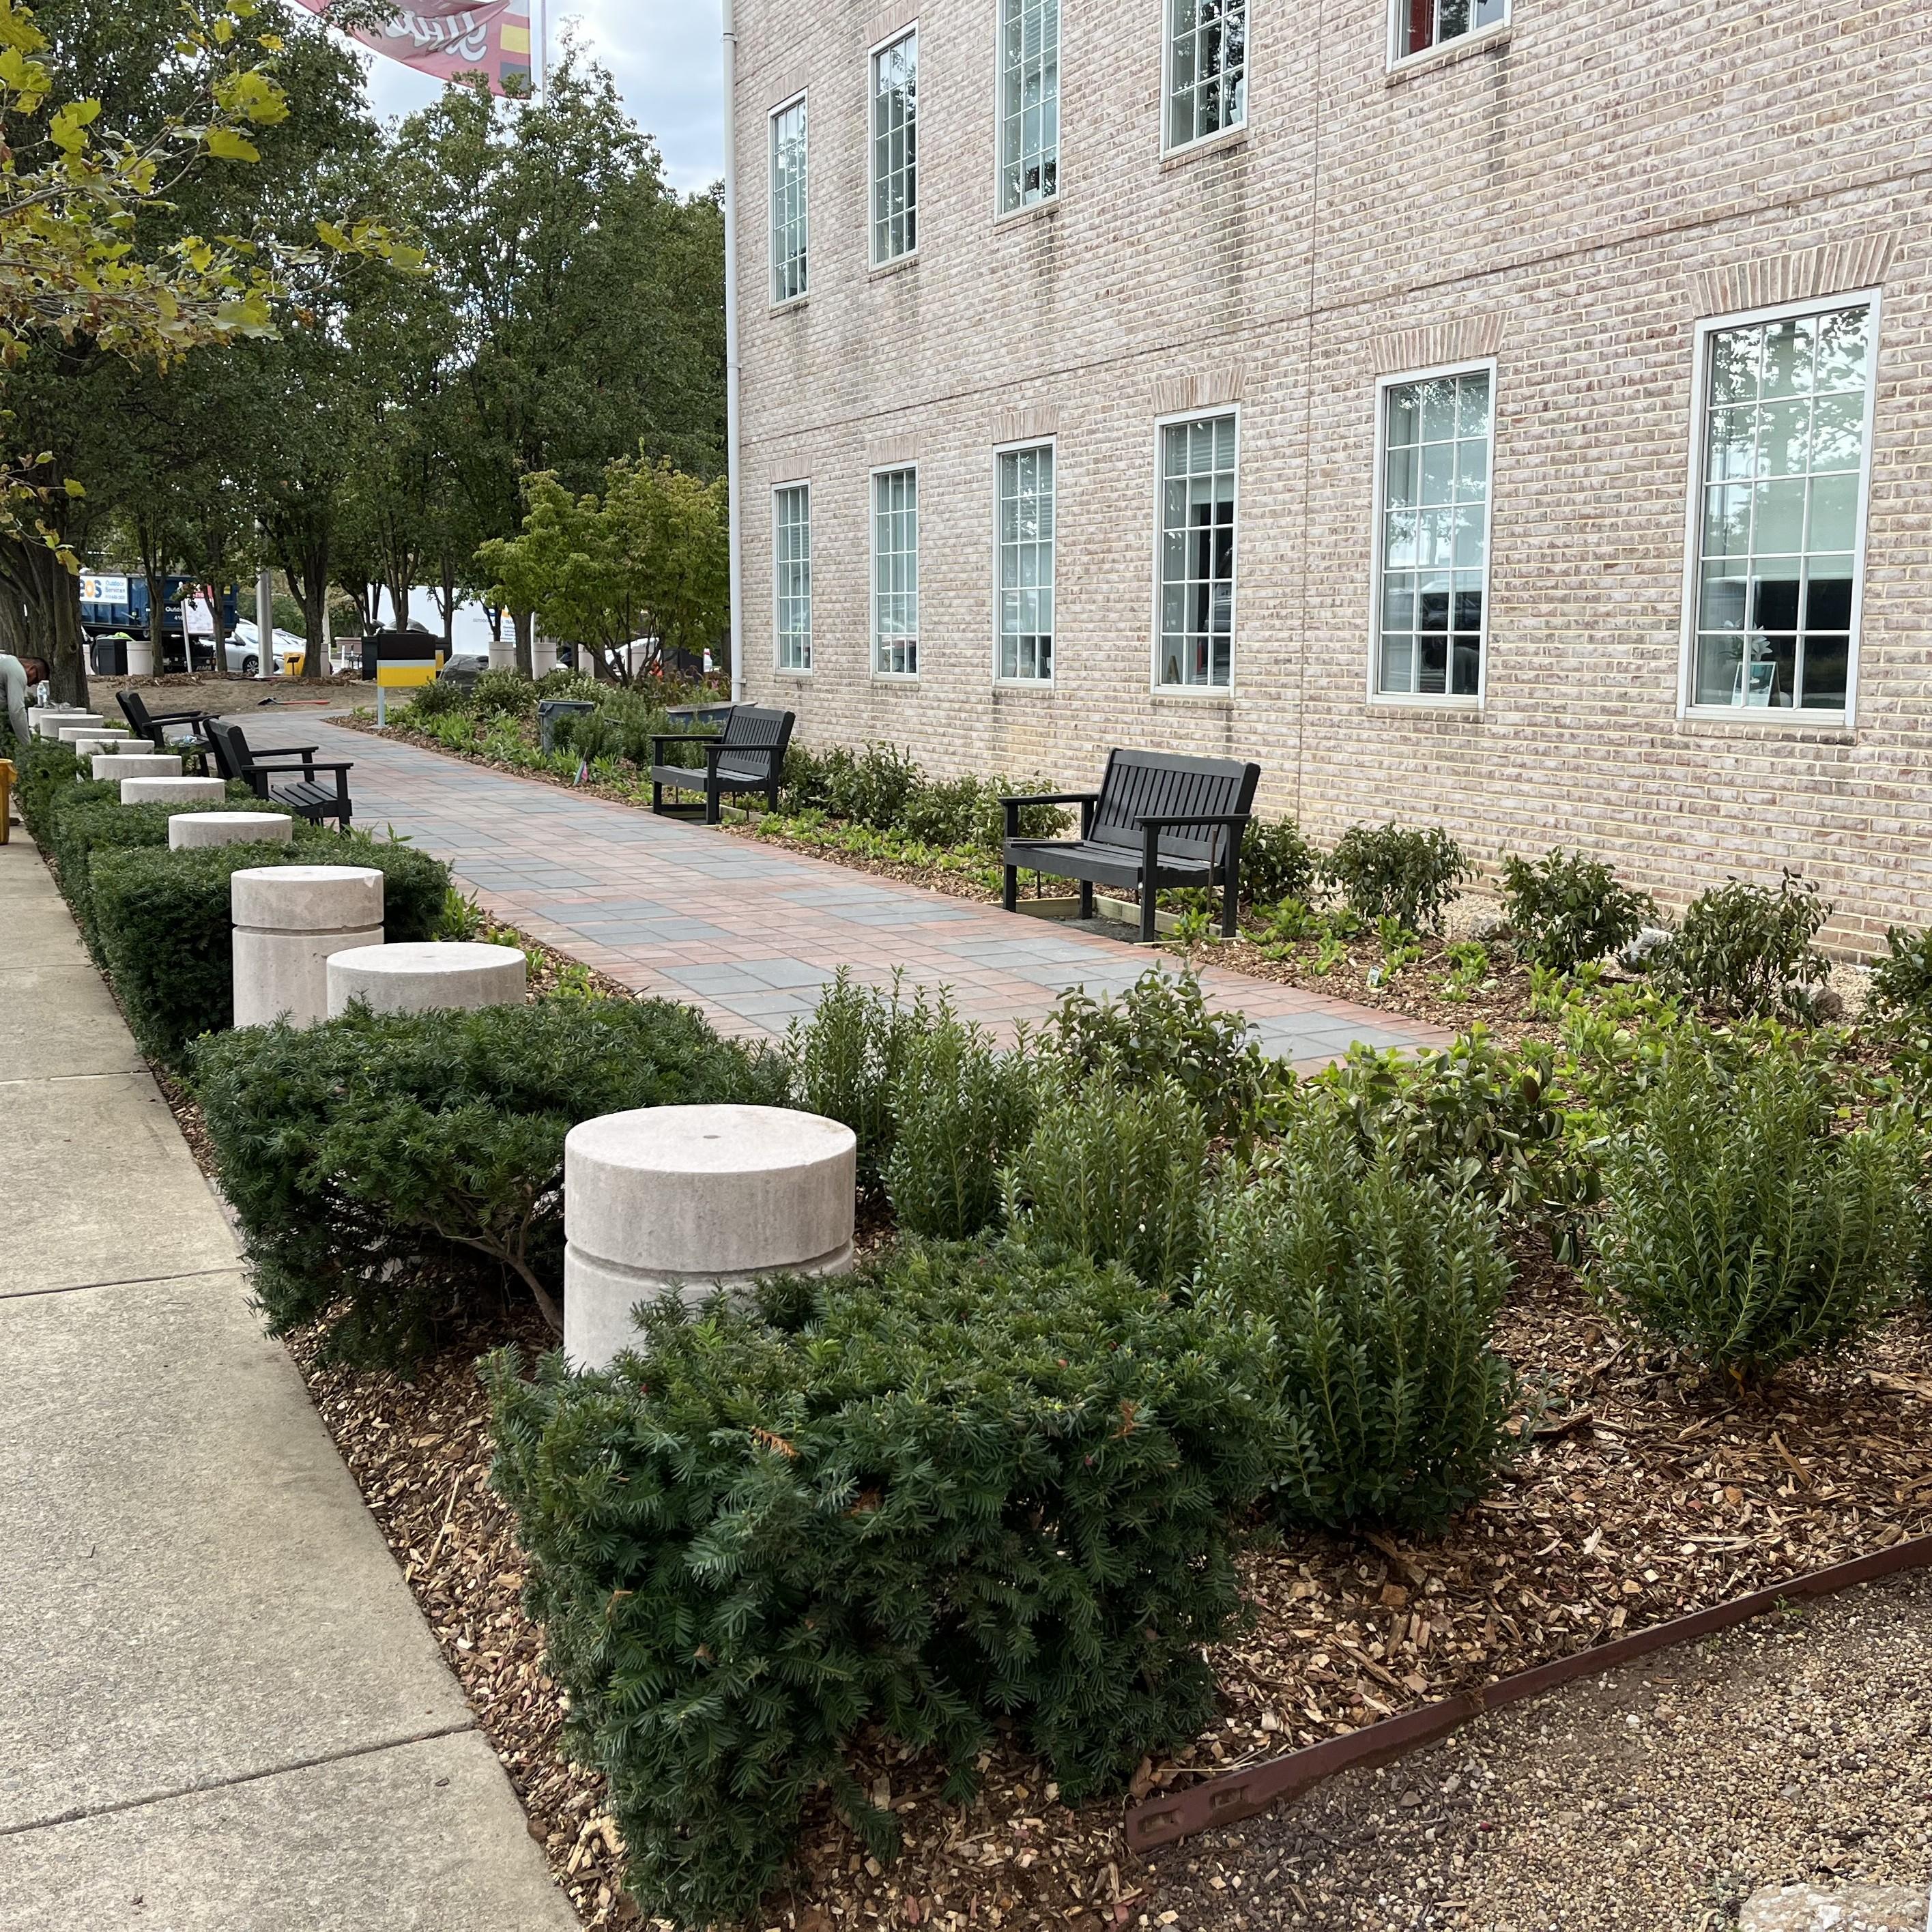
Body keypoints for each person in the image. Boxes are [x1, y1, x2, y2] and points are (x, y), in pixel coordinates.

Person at [1, 652, 50, 751]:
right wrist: (27, 746)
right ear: (32, 669)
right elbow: (17, 711)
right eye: (36, 680)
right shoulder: (18, 671)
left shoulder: (6, 660)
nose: (30, 685)